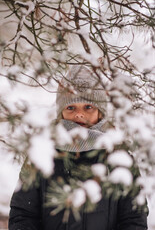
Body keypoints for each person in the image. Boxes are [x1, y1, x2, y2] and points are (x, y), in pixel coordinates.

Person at [9, 65, 148, 230]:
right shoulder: (42, 154)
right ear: (61, 112)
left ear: (100, 112)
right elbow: (23, 214)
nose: (79, 114)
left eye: (88, 107)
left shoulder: (119, 157)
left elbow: (134, 219)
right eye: (71, 107)